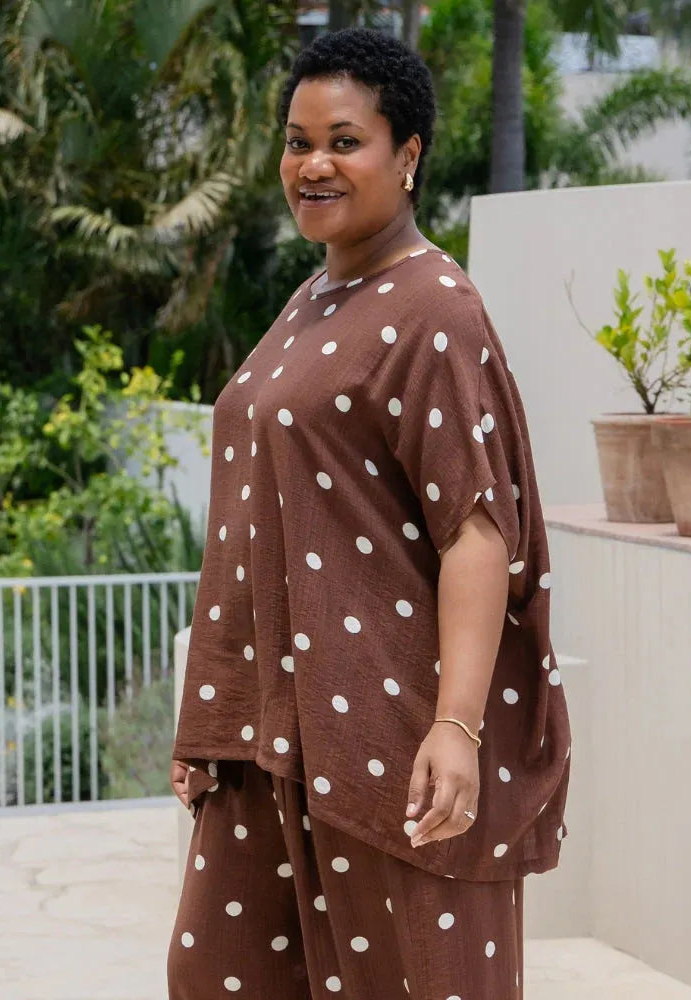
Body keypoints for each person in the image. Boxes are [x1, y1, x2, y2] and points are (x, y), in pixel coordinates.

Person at [167, 26, 570, 1000]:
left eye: (344, 141)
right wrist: (212, 716)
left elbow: (477, 530)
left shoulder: (436, 309)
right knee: (216, 974)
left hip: (386, 736)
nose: (313, 164)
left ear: (408, 154)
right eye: (297, 141)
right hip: (270, 738)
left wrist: (457, 728)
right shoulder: (313, 299)